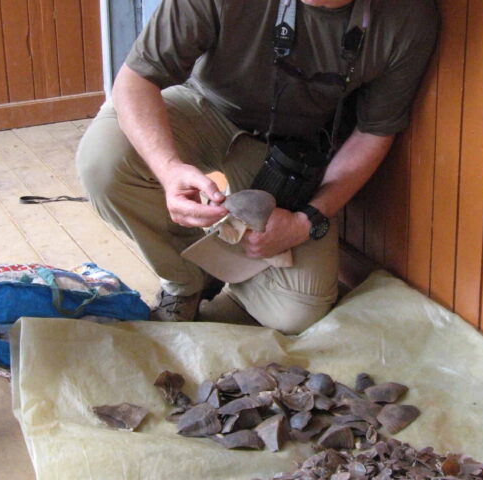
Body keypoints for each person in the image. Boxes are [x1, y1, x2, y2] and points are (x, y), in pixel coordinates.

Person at [76, 0, 438, 334]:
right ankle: (186, 281)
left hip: (292, 149)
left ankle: (220, 261)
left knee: (297, 312)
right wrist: (168, 168)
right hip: (204, 106)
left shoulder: (409, 16)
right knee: (103, 162)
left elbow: (373, 132)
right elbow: (135, 80)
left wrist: (307, 219)